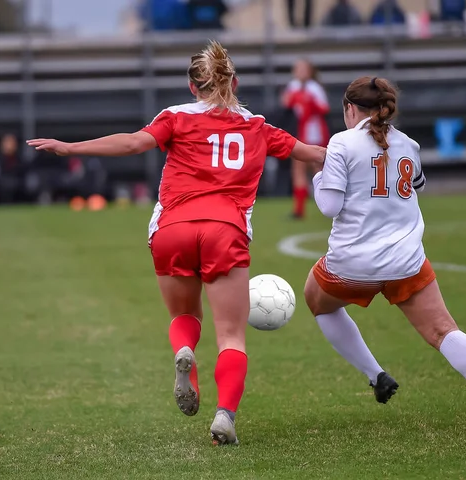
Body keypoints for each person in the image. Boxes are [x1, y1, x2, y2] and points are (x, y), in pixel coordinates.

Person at [27, 41, 325, 445]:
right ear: (234, 82)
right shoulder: (258, 127)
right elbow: (314, 155)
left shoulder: (176, 118)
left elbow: (133, 142)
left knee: (186, 316)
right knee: (231, 336)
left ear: (191, 87)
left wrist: (70, 147)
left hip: (172, 228)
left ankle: (184, 351)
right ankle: (224, 417)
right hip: (225, 229)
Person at [304, 76, 466, 428]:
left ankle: (376, 375)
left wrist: (317, 175)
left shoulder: (341, 143)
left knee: (316, 299)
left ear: (350, 109)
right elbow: (416, 185)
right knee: (443, 331)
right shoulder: (409, 145)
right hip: (405, 260)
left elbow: (329, 206)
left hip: (353, 262)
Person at [282, 59, 330, 219]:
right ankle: (299, 209)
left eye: (303, 69)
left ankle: (328, 204)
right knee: (298, 169)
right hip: (299, 132)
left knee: (319, 169)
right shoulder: (293, 86)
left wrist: (309, 101)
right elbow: (286, 103)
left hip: (315, 134)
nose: (300, 72)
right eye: (298, 69)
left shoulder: (314, 88)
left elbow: (324, 108)